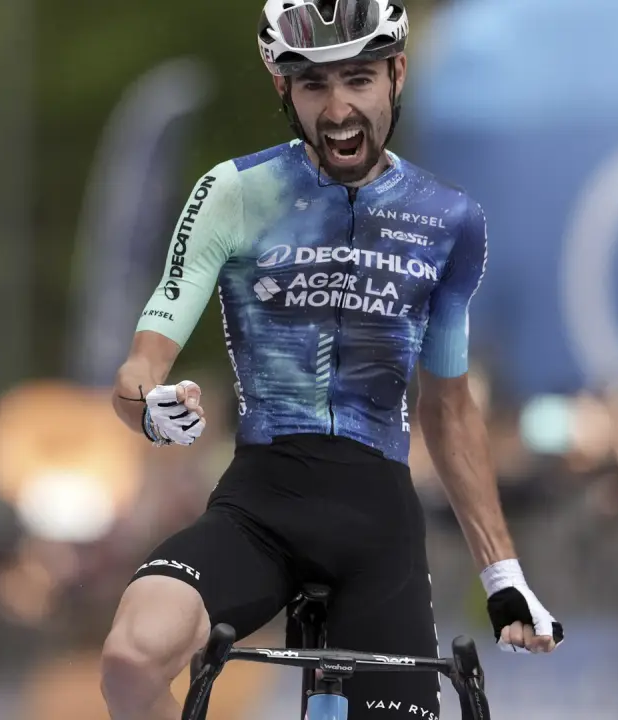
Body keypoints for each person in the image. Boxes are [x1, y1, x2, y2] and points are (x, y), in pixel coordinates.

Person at [100, 1, 563, 718]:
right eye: (314, 84)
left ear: (397, 73)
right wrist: (150, 412)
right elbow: (138, 372)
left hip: (378, 525)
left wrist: (503, 573)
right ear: (283, 88)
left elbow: (449, 409)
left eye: (359, 79)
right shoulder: (234, 192)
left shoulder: (449, 219)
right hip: (260, 508)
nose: (339, 108)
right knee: (132, 657)